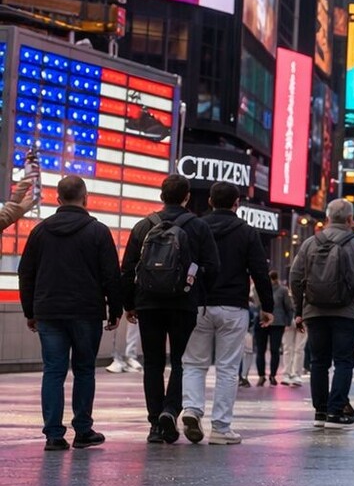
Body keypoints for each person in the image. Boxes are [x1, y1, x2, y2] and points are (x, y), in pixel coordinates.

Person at [20, 175, 121, 450]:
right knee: (84, 370)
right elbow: (111, 274)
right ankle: (83, 430)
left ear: (58, 199)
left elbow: (26, 273)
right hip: (87, 312)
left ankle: (53, 435)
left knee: (53, 371)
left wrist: (30, 310)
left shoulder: (40, 231)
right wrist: (115, 309)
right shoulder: (98, 231)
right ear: (85, 198)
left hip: (49, 312)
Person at [121, 174, 220, 444]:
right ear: (187, 197)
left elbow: (128, 268)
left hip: (148, 303)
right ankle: (170, 410)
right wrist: (196, 290)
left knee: (152, 363)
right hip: (183, 304)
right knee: (180, 362)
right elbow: (212, 266)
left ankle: (155, 424)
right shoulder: (198, 227)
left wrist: (129, 304)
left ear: (161, 195)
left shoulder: (143, 226)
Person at [179, 182, 272, 444]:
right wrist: (267, 307)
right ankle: (220, 428)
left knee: (194, 364)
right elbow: (259, 272)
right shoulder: (247, 232)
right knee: (228, 368)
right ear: (237, 203)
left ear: (210, 200)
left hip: (199, 305)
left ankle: (192, 410)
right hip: (233, 306)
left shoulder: (196, 227)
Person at [289, 198, 354, 429]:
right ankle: (335, 411)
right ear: (350, 220)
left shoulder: (310, 243)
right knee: (343, 362)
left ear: (327, 218)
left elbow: (295, 277)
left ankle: (320, 412)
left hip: (315, 311)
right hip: (347, 312)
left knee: (318, 361)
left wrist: (299, 311)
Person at [256, 271, 291, 385]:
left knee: (267, 350)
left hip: (271, 321)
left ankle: (266, 376)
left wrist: (288, 321)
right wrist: (287, 321)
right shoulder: (283, 290)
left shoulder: (280, 290)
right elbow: (288, 307)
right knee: (271, 350)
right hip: (274, 322)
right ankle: (268, 375)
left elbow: (288, 307)